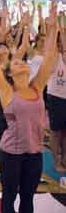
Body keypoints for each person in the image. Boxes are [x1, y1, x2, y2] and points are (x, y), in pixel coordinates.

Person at [0, 2, 58, 213]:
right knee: (9, 196)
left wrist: (53, 24)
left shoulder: (37, 86)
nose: (21, 62)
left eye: (22, 61)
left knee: (28, 198)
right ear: (9, 73)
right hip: (11, 153)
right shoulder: (6, 91)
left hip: (34, 153)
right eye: (16, 63)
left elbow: (50, 57)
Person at [47, 26, 66, 172]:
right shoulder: (55, 56)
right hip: (56, 97)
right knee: (56, 131)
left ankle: (64, 158)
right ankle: (56, 160)